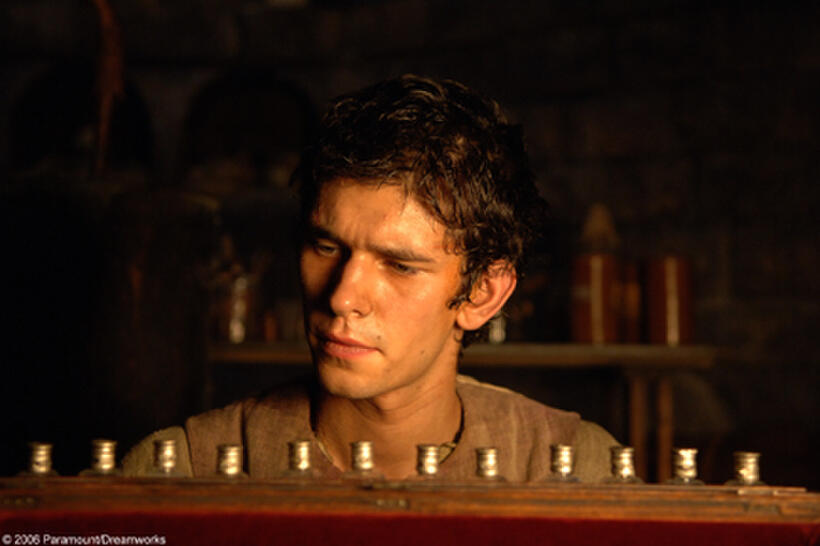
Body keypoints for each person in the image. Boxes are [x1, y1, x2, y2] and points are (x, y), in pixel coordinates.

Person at [123, 74, 616, 481]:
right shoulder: (183, 467)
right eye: (326, 246)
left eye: (399, 265)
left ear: (483, 294)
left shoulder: (577, 467)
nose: (341, 297)